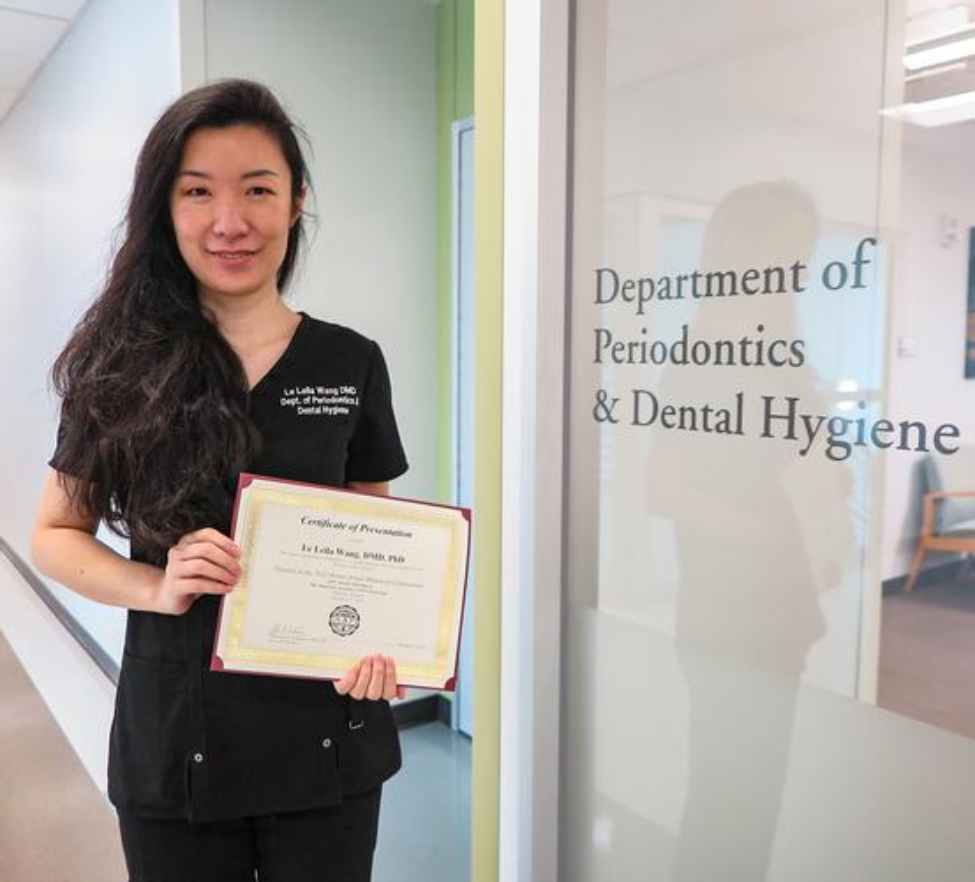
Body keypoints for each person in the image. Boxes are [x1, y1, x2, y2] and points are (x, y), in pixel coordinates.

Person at [30, 79, 409, 882]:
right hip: (177, 738)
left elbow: (376, 544)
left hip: (327, 733)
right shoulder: (121, 365)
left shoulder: (350, 361)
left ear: (296, 201)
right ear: (165, 209)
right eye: (197, 191)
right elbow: (55, 535)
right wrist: (156, 585)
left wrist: (382, 639)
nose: (229, 222)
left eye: (258, 191)